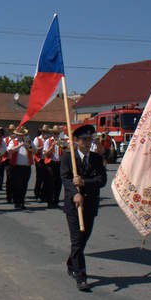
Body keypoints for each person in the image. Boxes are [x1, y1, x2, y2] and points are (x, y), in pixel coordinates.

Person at [61, 124, 107, 291]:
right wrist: (75, 193)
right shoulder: (68, 157)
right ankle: (81, 277)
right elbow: (66, 178)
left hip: (91, 204)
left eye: (90, 140)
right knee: (77, 240)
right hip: (74, 206)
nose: (87, 143)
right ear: (76, 141)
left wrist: (84, 183)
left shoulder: (95, 158)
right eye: (84, 140)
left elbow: (102, 180)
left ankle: (71, 262)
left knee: (83, 239)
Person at [7, 126, 34, 210]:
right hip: (16, 167)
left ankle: (21, 202)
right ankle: (17, 202)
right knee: (17, 185)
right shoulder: (13, 141)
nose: (21, 136)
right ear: (16, 135)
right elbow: (10, 150)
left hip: (26, 167)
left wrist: (29, 146)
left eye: (22, 135)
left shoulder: (28, 141)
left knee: (24, 185)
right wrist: (21, 144)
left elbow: (35, 151)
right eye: (19, 135)